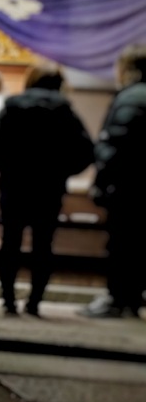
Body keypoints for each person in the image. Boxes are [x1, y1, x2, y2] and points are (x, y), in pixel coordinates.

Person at [0, 62, 94, 316]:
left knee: (11, 241)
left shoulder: (13, 106)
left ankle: (8, 300)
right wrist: (64, 170)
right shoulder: (65, 111)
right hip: (49, 186)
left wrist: (4, 165)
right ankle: (34, 303)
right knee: (43, 244)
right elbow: (86, 150)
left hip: (15, 182)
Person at [79, 44, 146, 319]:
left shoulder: (130, 98)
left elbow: (115, 144)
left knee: (122, 242)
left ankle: (118, 297)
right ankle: (133, 297)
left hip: (128, 183)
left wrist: (101, 180)